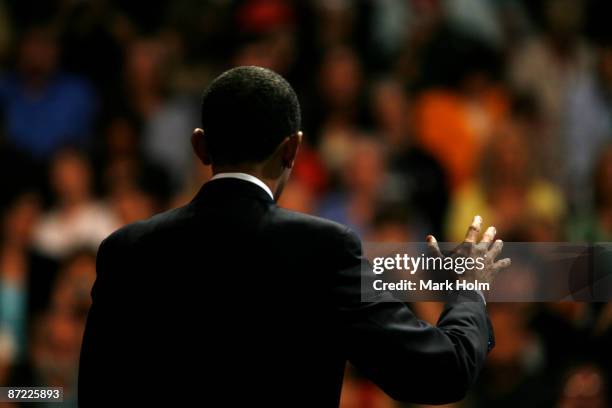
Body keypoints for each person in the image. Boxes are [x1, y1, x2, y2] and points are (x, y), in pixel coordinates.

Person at [78, 66, 510, 406]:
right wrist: (469, 291)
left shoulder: (124, 250)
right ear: (292, 149)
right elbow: (438, 372)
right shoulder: (323, 248)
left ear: (201, 147)